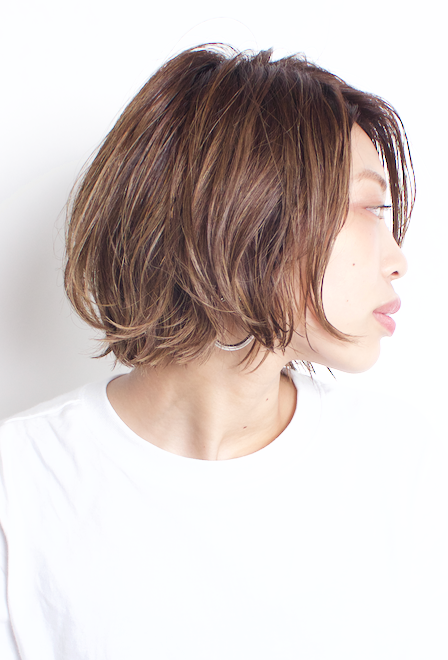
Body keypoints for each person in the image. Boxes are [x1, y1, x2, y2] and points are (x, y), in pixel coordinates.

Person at [0, 44, 419, 658]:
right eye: (368, 208)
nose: (398, 259)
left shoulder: (410, 469)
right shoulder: (22, 487)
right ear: (241, 214)